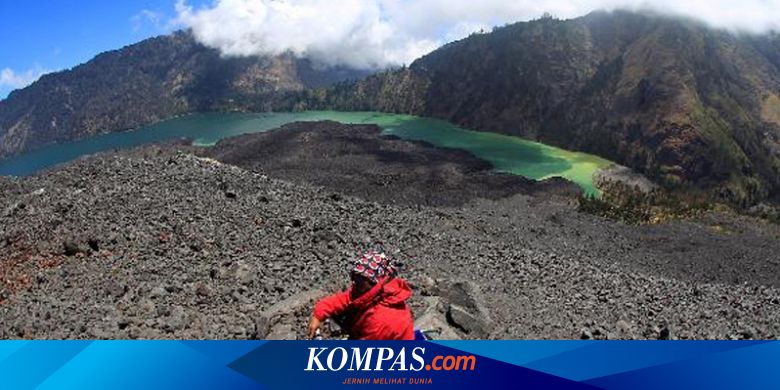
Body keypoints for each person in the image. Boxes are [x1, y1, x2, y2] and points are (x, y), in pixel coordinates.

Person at [307, 249, 415, 340]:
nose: (354, 283)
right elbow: (340, 299)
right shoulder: (366, 291)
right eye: (354, 277)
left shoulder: (380, 320)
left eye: (359, 280)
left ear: (373, 282)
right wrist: (318, 315)